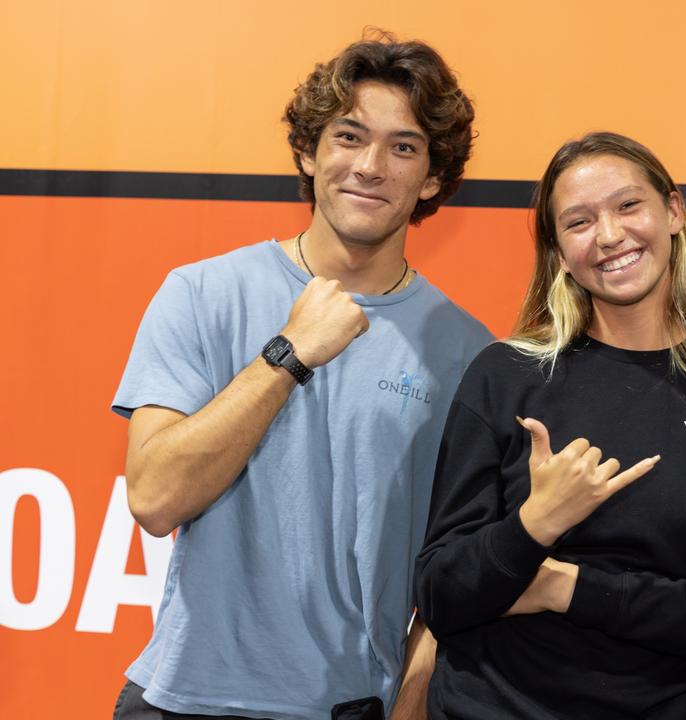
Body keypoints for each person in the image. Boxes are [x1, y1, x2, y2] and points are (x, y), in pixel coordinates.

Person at [110, 34, 492, 720]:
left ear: (432, 178)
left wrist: (407, 704)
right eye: (349, 136)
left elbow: (457, 572)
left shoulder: (468, 353)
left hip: (348, 706)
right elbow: (156, 495)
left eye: (403, 147)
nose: (370, 166)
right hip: (180, 700)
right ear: (310, 152)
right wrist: (289, 352)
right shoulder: (202, 293)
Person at [414, 131, 686, 719]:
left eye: (627, 206)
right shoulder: (506, 376)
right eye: (578, 222)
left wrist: (563, 587)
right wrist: (534, 524)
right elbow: (441, 595)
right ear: (558, 251)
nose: (609, 235)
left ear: (673, 211)